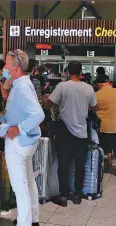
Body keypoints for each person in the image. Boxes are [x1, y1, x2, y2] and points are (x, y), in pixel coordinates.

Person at [0, 49, 44, 226]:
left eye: (7, 64)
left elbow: (38, 114)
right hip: (27, 141)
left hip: (19, 142)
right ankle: (33, 218)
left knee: (20, 185)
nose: (5, 68)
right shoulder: (22, 84)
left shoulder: (22, 87)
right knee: (28, 181)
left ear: (16, 67)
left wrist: (18, 128)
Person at [43, 60, 97, 207]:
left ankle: (63, 195)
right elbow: (93, 107)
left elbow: (49, 103)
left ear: (67, 72)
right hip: (82, 131)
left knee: (63, 163)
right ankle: (78, 194)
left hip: (64, 130)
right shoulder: (88, 88)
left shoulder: (62, 86)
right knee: (80, 164)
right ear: (80, 73)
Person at [95, 74, 116, 180]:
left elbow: (92, 110)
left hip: (101, 127)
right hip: (115, 127)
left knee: (101, 148)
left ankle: (102, 166)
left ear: (99, 84)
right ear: (109, 82)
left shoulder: (96, 95)